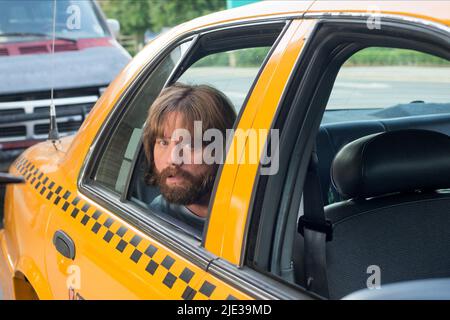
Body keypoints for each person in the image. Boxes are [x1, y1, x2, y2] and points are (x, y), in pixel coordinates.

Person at [142, 83, 236, 234]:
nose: (173, 159)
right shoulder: (156, 217)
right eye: (163, 142)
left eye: (190, 145)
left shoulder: (258, 214)